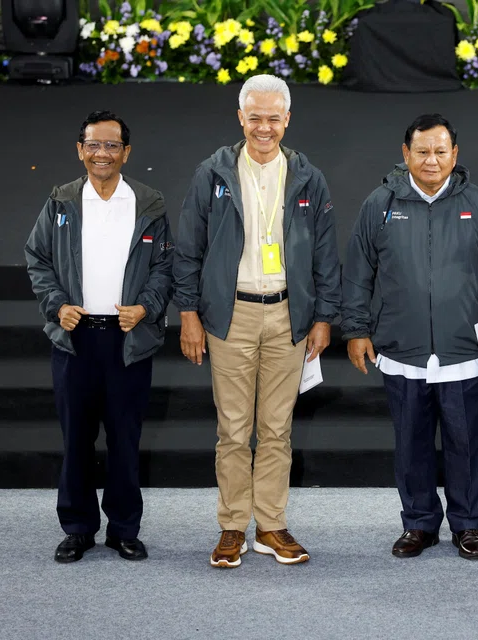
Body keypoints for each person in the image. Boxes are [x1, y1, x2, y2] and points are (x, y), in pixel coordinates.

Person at [173, 74, 341, 568]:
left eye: (273, 118)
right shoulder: (213, 173)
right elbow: (189, 250)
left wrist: (323, 317)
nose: (263, 128)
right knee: (232, 428)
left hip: (290, 314)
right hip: (231, 314)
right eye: (255, 118)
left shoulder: (309, 176)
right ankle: (231, 527)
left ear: (287, 120)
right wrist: (188, 314)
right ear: (240, 118)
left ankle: (270, 525)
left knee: (276, 429)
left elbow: (326, 255)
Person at [341, 114, 478, 561]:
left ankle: (467, 525)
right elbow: (359, 271)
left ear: (455, 155)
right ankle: (418, 523)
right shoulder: (379, 204)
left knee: (466, 442)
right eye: (422, 151)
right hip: (402, 350)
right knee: (412, 443)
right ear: (405, 154)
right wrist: (357, 329)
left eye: (441, 151)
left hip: (464, 350)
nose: (432, 160)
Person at [25, 110, 173, 563]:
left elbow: (166, 268)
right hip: (75, 340)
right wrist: (57, 305)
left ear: (126, 152)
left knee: (125, 439)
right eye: (93, 145)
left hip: (128, 341)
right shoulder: (61, 202)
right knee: (77, 439)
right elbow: (38, 259)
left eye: (111, 145)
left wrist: (147, 305)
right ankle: (78, 527)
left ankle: (124, 528)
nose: (102, 153)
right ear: (80, 150)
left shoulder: (148, 203)